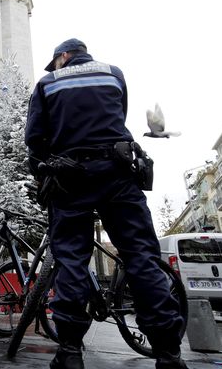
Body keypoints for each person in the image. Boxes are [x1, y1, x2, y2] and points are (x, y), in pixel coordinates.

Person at [25, 39, 187, 369]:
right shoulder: (113, 74)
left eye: (55, 61)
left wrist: (43, 172)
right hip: (118, 173)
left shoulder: (48, 83)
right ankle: (169, 354)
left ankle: (70, 351)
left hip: (70, 177)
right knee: (142, 256)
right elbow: (116, 119)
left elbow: (34, 139)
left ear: (64, 56)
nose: (54, 67)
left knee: (71, 260)